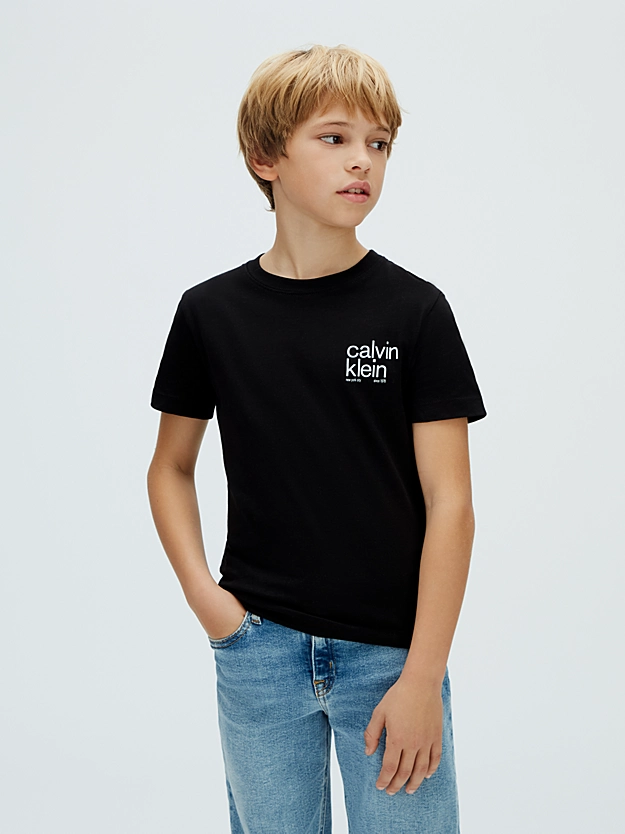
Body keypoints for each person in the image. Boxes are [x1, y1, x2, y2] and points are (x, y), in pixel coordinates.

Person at [147, 42, 487, 834]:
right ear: (265, 157)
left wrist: (421, 675)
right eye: (333, 138)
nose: (361, 160)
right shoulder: (210, 313)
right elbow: (170, 468)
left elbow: (451, 504)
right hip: (256, 651)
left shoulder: (415, 311)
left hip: (391, 658)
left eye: (378, 143)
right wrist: (211, 606)